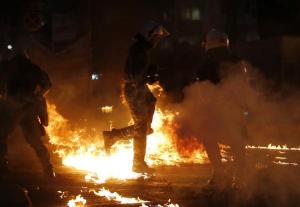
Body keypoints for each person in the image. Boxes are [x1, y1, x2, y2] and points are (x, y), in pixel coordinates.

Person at [102, 21, 169, 173]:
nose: (156, 41)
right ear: (148, 36)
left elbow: (139, 73)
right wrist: (147, 76)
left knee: (146, 121)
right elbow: (134, 75)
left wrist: (149, 73)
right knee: (141, 128)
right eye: (155, 37)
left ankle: (114, 137)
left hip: (138, 88)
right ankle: (137, 164)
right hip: (135, 89)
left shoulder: (142, 49)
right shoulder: (138, 50)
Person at [197, 29, 248, 189]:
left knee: (209, 138)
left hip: (215, 108)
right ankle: (240, 176)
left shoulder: (206, 62)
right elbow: (244, 85)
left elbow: (202, 88)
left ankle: (219, 173)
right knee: (236, 140)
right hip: (235, 107)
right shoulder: (237, 60)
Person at [0, 53, 55, 179]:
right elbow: (47, 85)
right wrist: (37, 96)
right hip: (25, 107)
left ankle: (3, 167)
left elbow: (47, 85)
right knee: (35, 140)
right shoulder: (33, 68)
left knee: (2, 137)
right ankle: (47, 167)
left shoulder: (8, 67)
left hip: (14, 109)